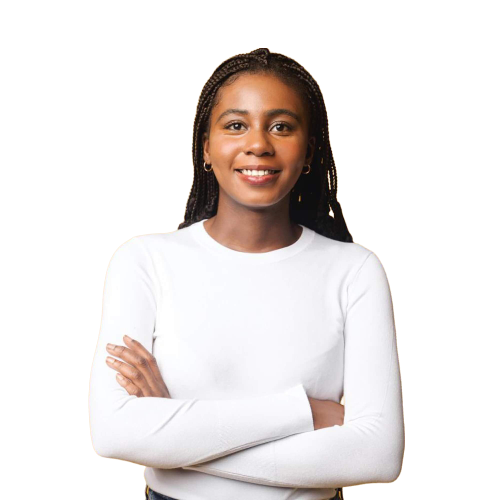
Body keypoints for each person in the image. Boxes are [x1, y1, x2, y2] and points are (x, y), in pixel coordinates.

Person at [88, 48, 405, 500]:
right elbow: (114, 432)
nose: (259, 143)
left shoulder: (355, 272)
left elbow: (378, 455)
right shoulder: (144, 262)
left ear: (310, 151)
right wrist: (305, 413)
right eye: (236, 125)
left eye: (281, 126)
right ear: (206, 148)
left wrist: (171, 433)